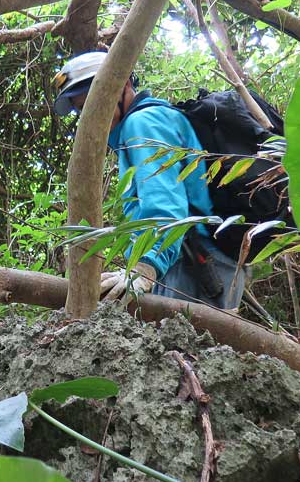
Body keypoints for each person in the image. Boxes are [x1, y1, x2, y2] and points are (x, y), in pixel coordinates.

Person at [52, 51, 247, 310]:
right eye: (81, 108)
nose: (88, 115)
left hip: (194, 265)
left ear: (123, 85)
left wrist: (146, 267)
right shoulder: (142, 126)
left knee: (180, 350)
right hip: (198, 262)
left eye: (92, 101)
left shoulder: (142, 123)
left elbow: (165, 204)